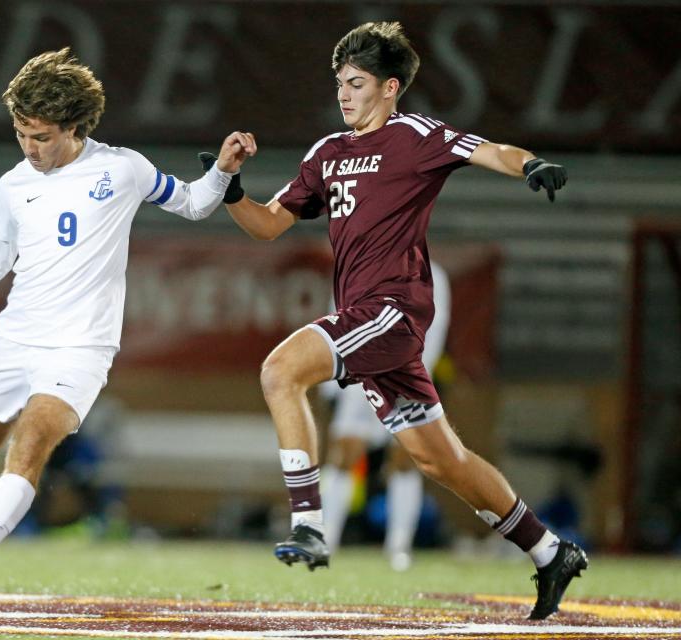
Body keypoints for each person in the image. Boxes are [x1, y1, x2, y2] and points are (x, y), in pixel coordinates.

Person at [207, 22, 584, 620]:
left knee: (280, 370)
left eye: (355, 83)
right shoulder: (326, 154)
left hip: (394, 310)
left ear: (390, 88)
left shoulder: (416, 136)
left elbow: (489, 151)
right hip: (368, 318)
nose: (343, 93)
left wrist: (532, 164)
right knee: (441, 461)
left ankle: (309, 525)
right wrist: (228, 185)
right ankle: (548, 549)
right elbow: (267, 224)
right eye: (339, 83)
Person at [0, 48, 255, 603]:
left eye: (40, 136)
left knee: (30, 442)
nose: (29, 148)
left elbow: (192, 204)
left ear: (74, 125)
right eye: (20, 133)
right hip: (16, 338)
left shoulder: (122, 168)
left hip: (81, 346)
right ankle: (6, 485)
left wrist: (223, 172)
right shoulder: (13, 186)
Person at [320, 260, 449, 571]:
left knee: (405, 460)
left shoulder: (433, 276)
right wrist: (335, 383)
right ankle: (324, 542)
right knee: (344, 455)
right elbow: (336, 321)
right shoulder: (359, 264)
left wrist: (419, 376)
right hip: (360, 376)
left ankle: (399, 546)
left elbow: (435, 327)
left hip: (406, 379)